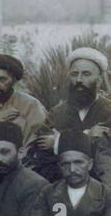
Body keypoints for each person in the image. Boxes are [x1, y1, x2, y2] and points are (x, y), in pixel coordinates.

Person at [27, 47, 111, 182]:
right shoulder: (57, 112)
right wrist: (89, 136)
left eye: (86, 74)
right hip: (61, 185)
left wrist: (58, 142)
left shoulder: (108, 110)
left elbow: (105, 150)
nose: (79, 80)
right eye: (74, 74)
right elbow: (41, 148)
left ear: (100, 80)